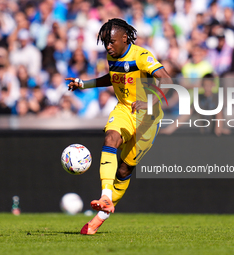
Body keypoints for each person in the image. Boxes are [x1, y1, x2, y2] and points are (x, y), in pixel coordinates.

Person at [66, 18, 172, 235]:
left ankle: (100, 217)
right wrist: (83, 84)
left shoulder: (142, 56)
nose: (108, 46)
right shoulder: (112, 55)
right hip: (125, 108)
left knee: (124, 169)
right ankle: (106, 195)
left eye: (112, 41)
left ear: (125, 38)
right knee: (110, 138)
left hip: (148, 119)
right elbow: (112, 78)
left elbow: (168, 80)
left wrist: (150, 102)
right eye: (105, 42)